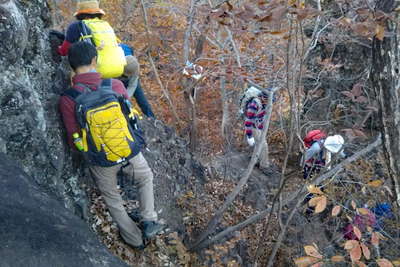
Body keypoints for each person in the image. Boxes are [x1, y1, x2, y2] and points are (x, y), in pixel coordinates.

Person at [58, 41, 164, 249]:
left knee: (113, 199)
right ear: (94, 60)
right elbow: (130, 118)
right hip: (127, 149)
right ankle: (149, 219)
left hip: (101, 159)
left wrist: (88, 154)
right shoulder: (114, 85)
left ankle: (134, 240)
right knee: (145, 178)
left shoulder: (68, 98)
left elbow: (74, 139)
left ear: (71, 67)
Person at [53, 0, 155, 118]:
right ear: (97, 13)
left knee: (73, 77)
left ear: (80, 14)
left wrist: (56, 46)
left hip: (95, 71)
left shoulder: (76, 26)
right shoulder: (105, 26)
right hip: (116, 69)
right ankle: (144, 116)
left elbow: (64, 50)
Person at [241, 86, 270, 169]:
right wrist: (249, 136)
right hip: (253, 127)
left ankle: (255, 161)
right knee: (263, 145)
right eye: (267, 100)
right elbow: (248, 121)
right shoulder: (254, 104)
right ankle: (264, 166)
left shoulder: (265, 103)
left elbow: (261, 116)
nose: (269, 102)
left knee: (258, 144)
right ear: (262, 97)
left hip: (258, 126)